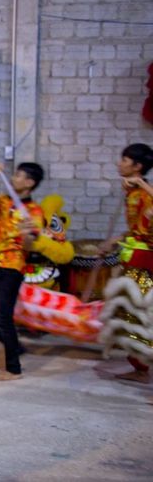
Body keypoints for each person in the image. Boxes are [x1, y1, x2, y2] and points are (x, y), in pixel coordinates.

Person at [0, 162, 45, 381]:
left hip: (13, 267)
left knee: (4, 317)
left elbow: (30, 247)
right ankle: (15, 346)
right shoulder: (3, 201)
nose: (14, 178)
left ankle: (13, 369)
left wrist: (27, 235)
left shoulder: (33, 211)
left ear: (30, 183)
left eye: (19, 176)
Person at [101, 143, 153, 384]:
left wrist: (143, 185)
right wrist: (116, 239)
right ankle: (140, 368)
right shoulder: (132, 193)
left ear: (137, 166)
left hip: (145, 262)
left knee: (142, 315)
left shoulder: (143, 193)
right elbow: (137, 230)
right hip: (135, 259)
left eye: (124, 160)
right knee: (130, 314)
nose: (119, 163)